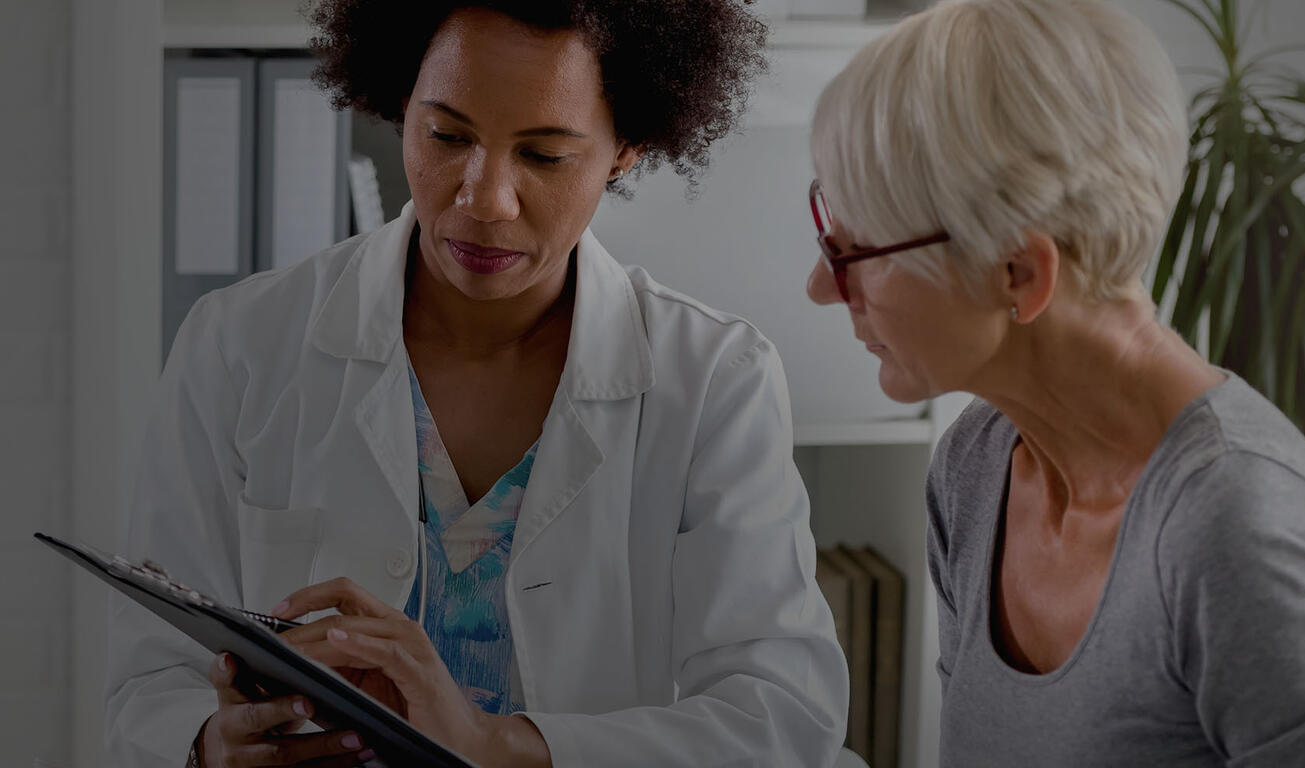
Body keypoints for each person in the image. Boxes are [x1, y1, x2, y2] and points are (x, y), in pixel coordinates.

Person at [106, 1, 849, 766]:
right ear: (401, 104)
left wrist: (495, 746)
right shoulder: (239, 345)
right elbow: (149, 679)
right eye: (447, 136)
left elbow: (780, 718)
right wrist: (204, 744)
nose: (484, 199)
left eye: (545, 156)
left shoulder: (715, 383)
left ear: (627, 148)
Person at [803, 0, 1305, 764]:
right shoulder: (974, 468)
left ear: (1021, 272)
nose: (820, 285)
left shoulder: (1241, 534)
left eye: (854, 251)